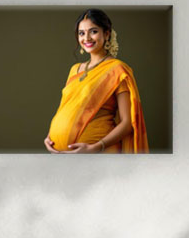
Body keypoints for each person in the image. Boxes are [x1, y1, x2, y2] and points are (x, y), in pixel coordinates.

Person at [45, 9, 149, 154]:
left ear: (106, 34)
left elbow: (127, 123)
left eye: (93, 31)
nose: (86, 38)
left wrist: (95, 147)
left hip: (99, 153)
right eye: (81, 33)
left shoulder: (117, 69)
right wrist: (50, 136)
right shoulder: (75, 69)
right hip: (60, 155)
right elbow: (66, 109)